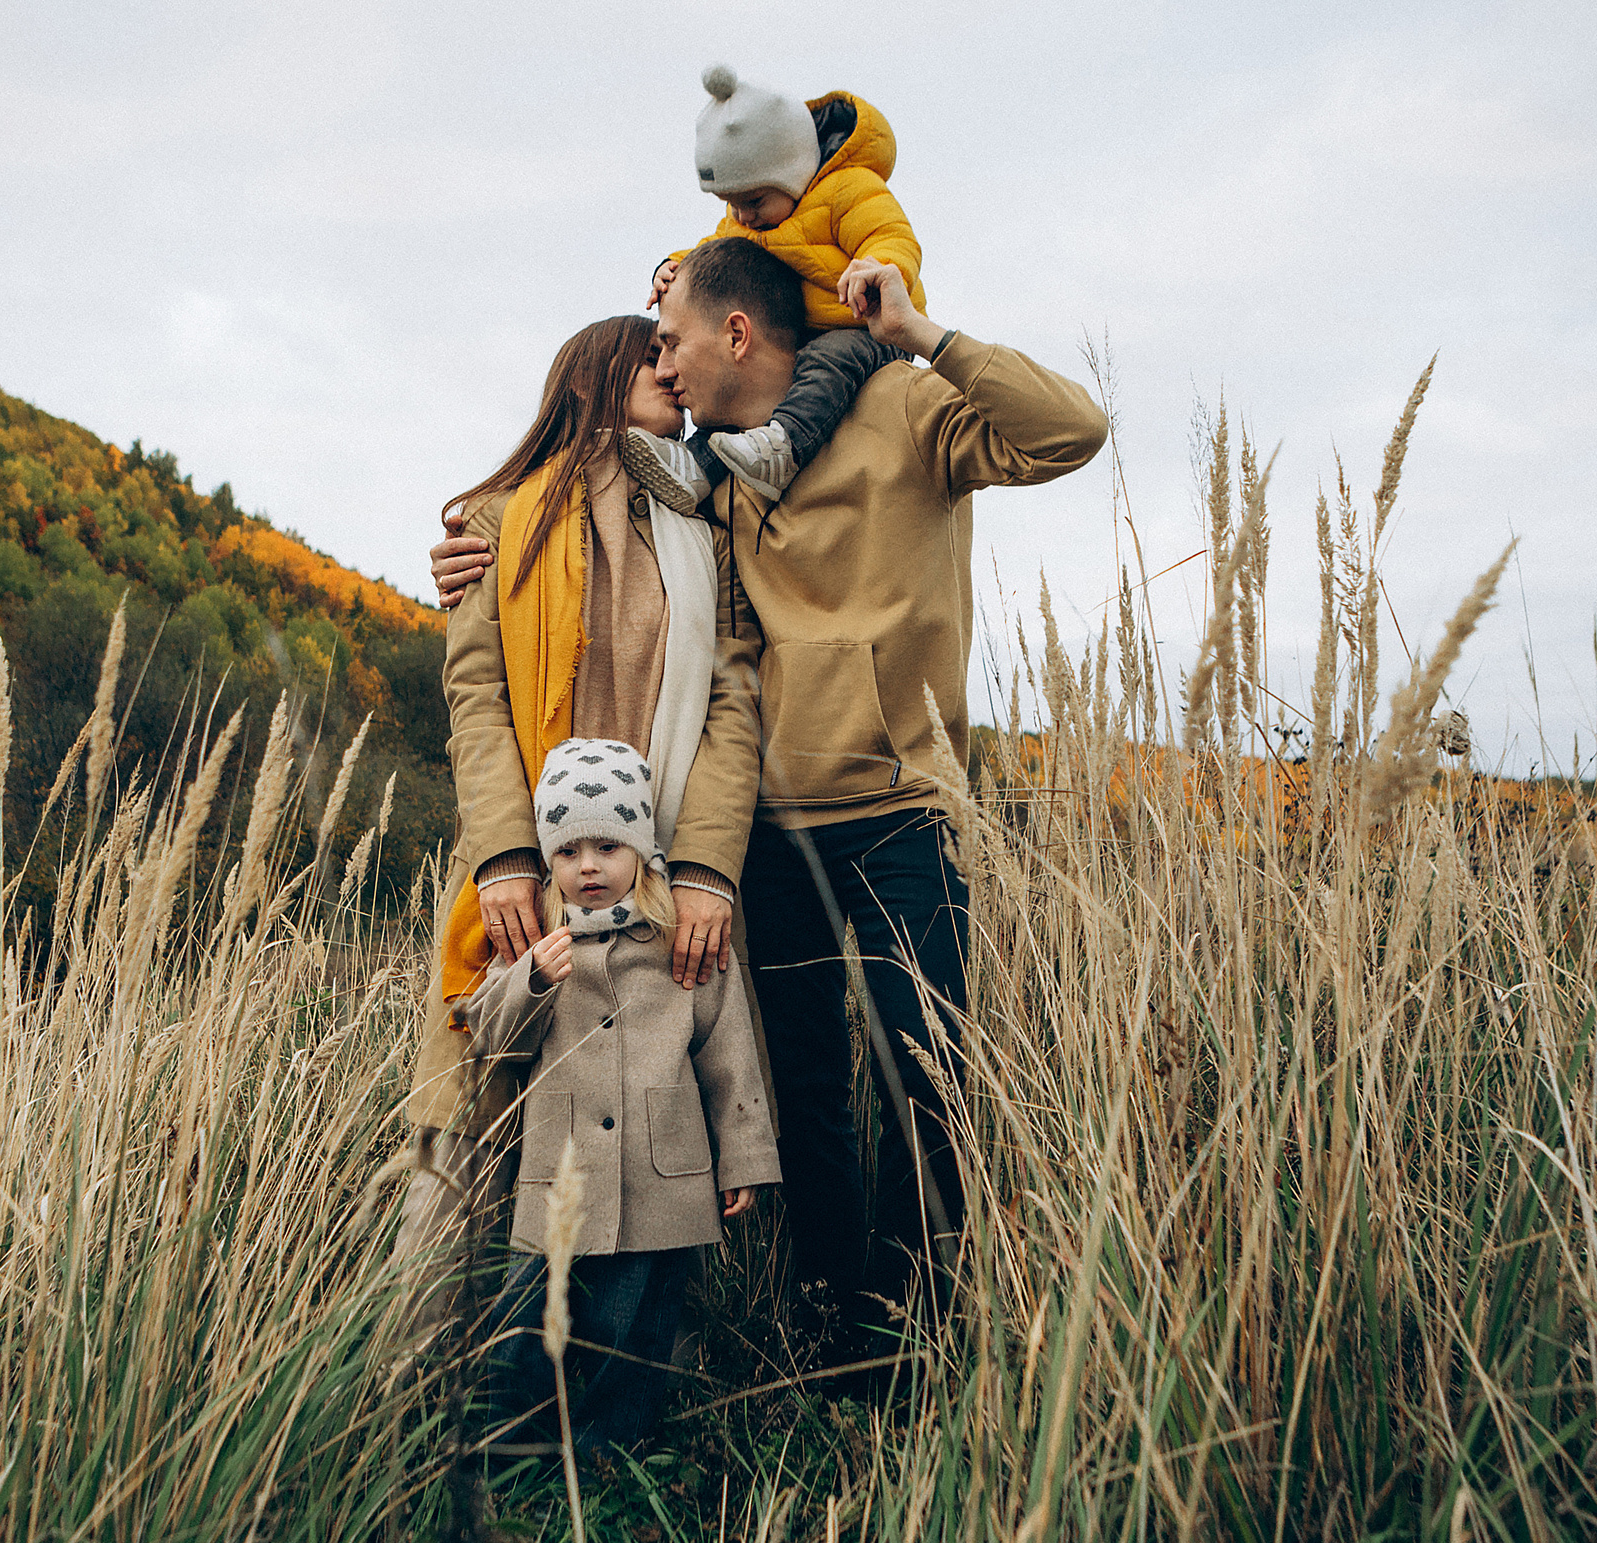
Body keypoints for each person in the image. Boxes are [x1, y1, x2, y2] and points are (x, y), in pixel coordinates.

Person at [434, 239, 1107, 1374]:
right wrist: (474, 545)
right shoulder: (707, 475)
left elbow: (1070, 433)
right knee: (800, 1093)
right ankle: (833, 1331)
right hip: (764, 837)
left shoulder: (903, 408)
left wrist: (923, 336)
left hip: (898, 808)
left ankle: (921, 1335)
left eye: (676, 341)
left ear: (733, 336)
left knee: (924, 1071)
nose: (668, 362)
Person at [393, 315, 760, 1342]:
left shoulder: (704, 535)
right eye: (656, 360)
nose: (677, 379)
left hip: (654, 882)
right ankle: (414, 1387)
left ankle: (605, 1401)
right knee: (471, 1125)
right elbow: (476, 702)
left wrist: (704, 872)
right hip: (529, 875)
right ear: (600, 374)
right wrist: (506, 856)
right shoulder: (494, 522)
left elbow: (732, 710)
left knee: (647, 1118)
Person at [464, 739, 777, 1455]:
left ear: (641, 848)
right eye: (569, 849)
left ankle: (612, 1461)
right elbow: (493, 1043)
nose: (589, 866)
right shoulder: (536, 942)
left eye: (608, 844)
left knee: (633, 1333)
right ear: (550, 859)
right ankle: (505, 1452)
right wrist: (532, 981)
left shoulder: (681, 942)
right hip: (558, 1176)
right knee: (524, 1322)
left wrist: (744, 1156)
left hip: (657, 1177)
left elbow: (727, 1052)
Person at [623, 65, 925, 509]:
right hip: (805, 331)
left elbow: (892, 236)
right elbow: (715, 250)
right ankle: (696, 468)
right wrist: (675, 266)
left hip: (867, 327)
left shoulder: (848, 188)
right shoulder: (749, 216)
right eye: (730, 203)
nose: (742, 216)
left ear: (794, 170)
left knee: (825, 364)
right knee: (732, 387)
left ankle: (784, 450)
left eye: (753, 201)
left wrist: (878, 270)